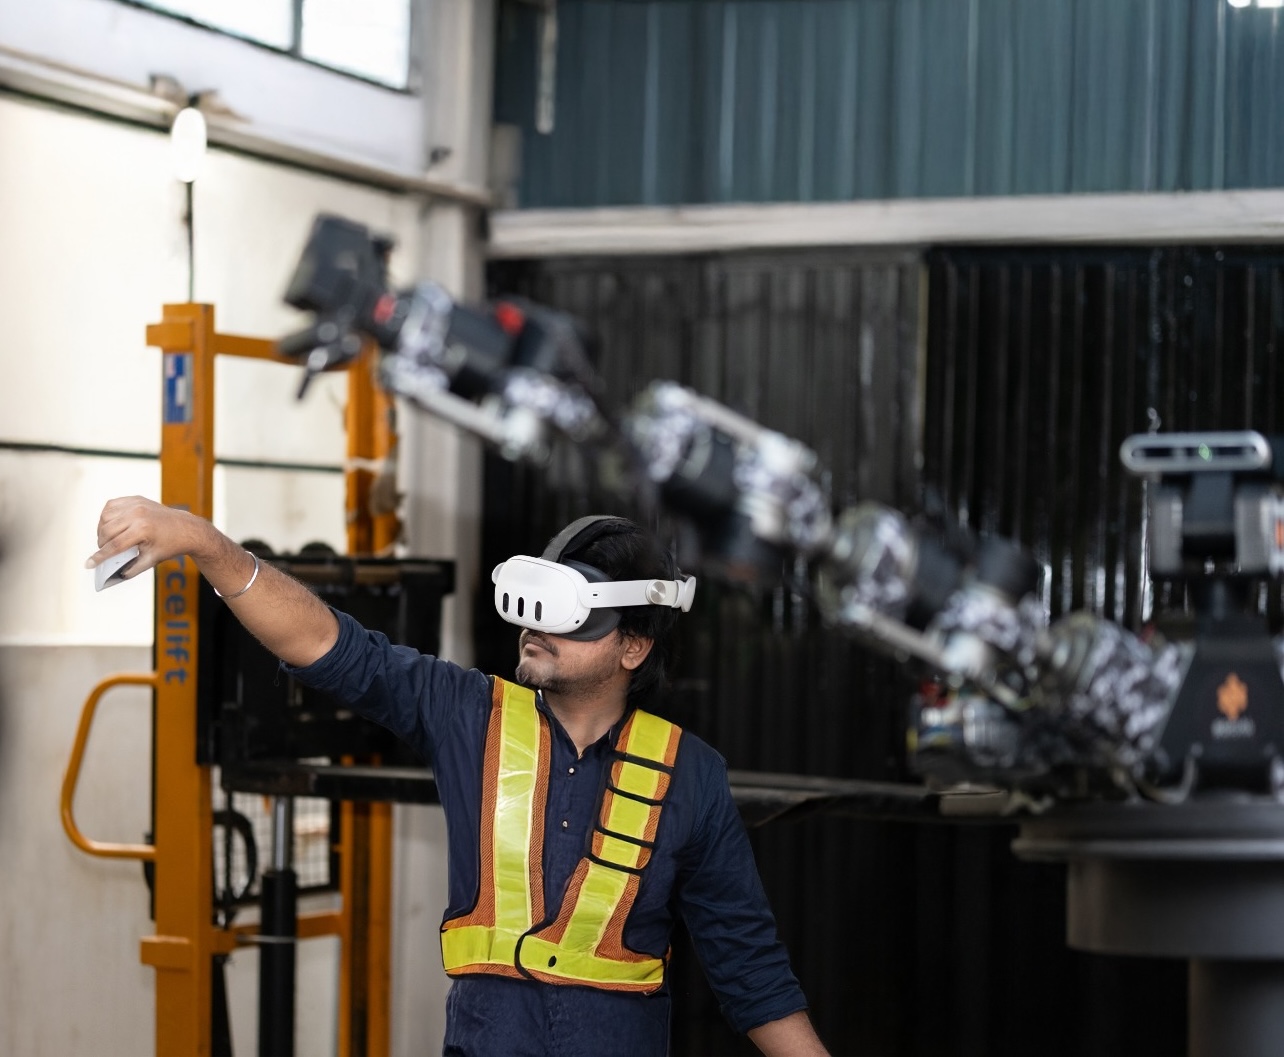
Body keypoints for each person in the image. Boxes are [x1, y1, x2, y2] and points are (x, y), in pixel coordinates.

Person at [87, 496, 830, 1057]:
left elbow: (750, 970)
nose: (534, 627)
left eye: (567, 613)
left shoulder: (691, 776)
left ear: (632, 646)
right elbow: (327, 645)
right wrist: (205, 542)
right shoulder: (469, 714)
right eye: (532, 605)